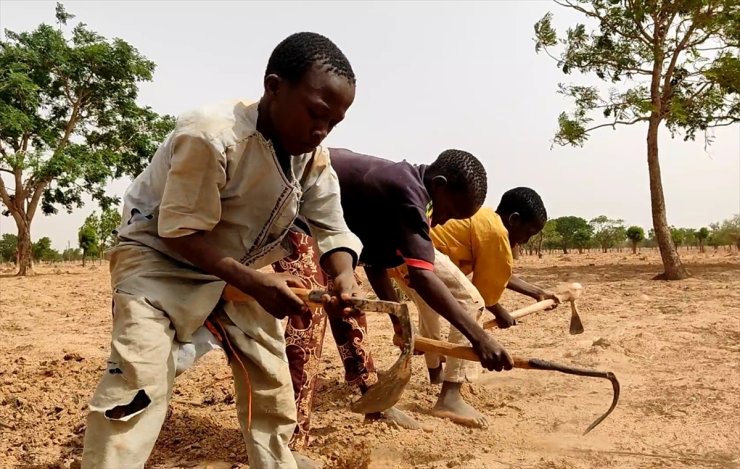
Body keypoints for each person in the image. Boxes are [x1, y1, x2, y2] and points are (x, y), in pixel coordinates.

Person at [81, 32, 363, 469]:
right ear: (273, 87)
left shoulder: (310, 156)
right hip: (159, 261)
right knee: (139, 380)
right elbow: (177, 231)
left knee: (269, 383)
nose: (321, 130)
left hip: (240, 268)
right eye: (316, 114)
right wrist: (254, 281)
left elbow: (331, 222)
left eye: (334, 123)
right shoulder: (210, 134)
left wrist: (342, 272)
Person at [330, 147, 514, 429]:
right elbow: (423, 278)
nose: (444, 221)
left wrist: (398, 322)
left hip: (324, 231)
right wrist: (480, 339)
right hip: (294, 205)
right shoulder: (408, 195)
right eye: (449, 210)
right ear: (439, 185)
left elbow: (375, 262)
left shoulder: (411, 193)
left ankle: (374, 401)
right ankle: (288, 433)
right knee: (307, 317)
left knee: (346, 304)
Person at [431, 187, 559, 333]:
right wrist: (500, 313)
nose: (525, 241)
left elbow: (498, 274)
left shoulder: (488, 220)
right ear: (514, 220)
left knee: (429, 307)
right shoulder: (496, 233)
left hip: (408, 258)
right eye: (528, 233)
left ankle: (432, 351)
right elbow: (484, 293)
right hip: (424, 254)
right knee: (471, 302)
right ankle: (458, 355)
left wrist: (538, 293)